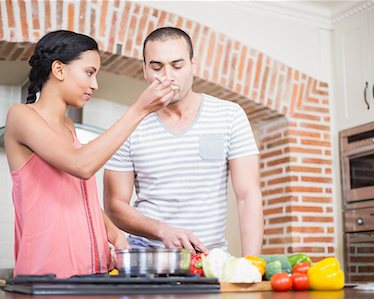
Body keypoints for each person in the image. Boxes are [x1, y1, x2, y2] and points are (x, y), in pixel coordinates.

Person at [4, 30, 176, 278]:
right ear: (59, 70)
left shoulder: (68, 127)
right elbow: (81, 165)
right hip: (49, 278)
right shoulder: (21, 116)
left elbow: (79, 201)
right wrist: (140, 109)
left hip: (92, 273)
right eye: (89, 72)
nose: (94, 84)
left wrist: (115, 234)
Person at [103, 27, 263, 256]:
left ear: (193, 65)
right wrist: (162, 230)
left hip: (209, 259)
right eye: (157, 67)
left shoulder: (229, 115)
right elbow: (114, 206)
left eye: (177, 66)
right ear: (145, 70)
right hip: (147, 260)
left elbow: (248, 195)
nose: (167, 76)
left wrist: (252, 263)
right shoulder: (128, 124)